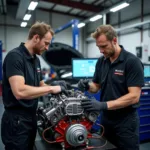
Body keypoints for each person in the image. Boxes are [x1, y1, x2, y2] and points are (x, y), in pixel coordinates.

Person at [1, 21, 66, 150]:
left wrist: (54, 86)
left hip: (31, 117)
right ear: (36, 38)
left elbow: (40, 83)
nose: (47, 48)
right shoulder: (15, 57)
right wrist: (51, 89)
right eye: (46, 43)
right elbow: (19, 91)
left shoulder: (35, 59)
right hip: (16, 121)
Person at [78, 25, 144, 150]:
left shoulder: (131, 62)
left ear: (114, 40)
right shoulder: (102, 61)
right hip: (107, 120)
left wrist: (103, 105)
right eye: (99, 47)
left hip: (126, 121)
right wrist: (87, 85)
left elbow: (134, 96)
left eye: (104, 46)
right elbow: (96, 87)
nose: (101, 51)